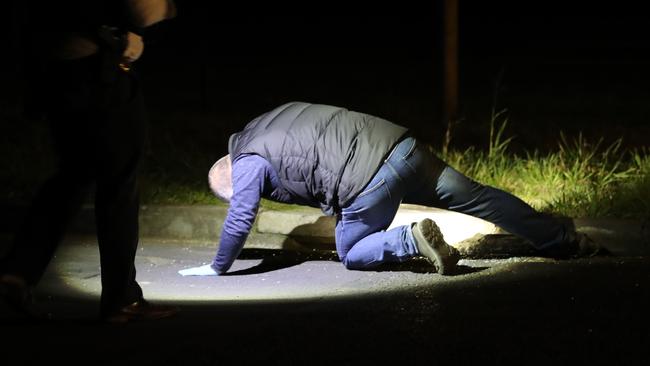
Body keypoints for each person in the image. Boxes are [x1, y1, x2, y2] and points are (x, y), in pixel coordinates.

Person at [178, 101, 600, 277]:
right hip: (403, 146)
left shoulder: (247, 163)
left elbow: (240, 218)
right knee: (478, 196)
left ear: (232, 178)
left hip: (370, 180)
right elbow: (323, 150)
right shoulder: (265, 122)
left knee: (351, 253)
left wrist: (217, 267)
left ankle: (409, 237)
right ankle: (565, 240)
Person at [0, 0, 179, 323]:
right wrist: (165, 8)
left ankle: (17, 272)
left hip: (54, 68)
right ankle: (121, 298)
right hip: (99, 71)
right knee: (119, 185)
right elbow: (141, 9)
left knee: (74, 173)